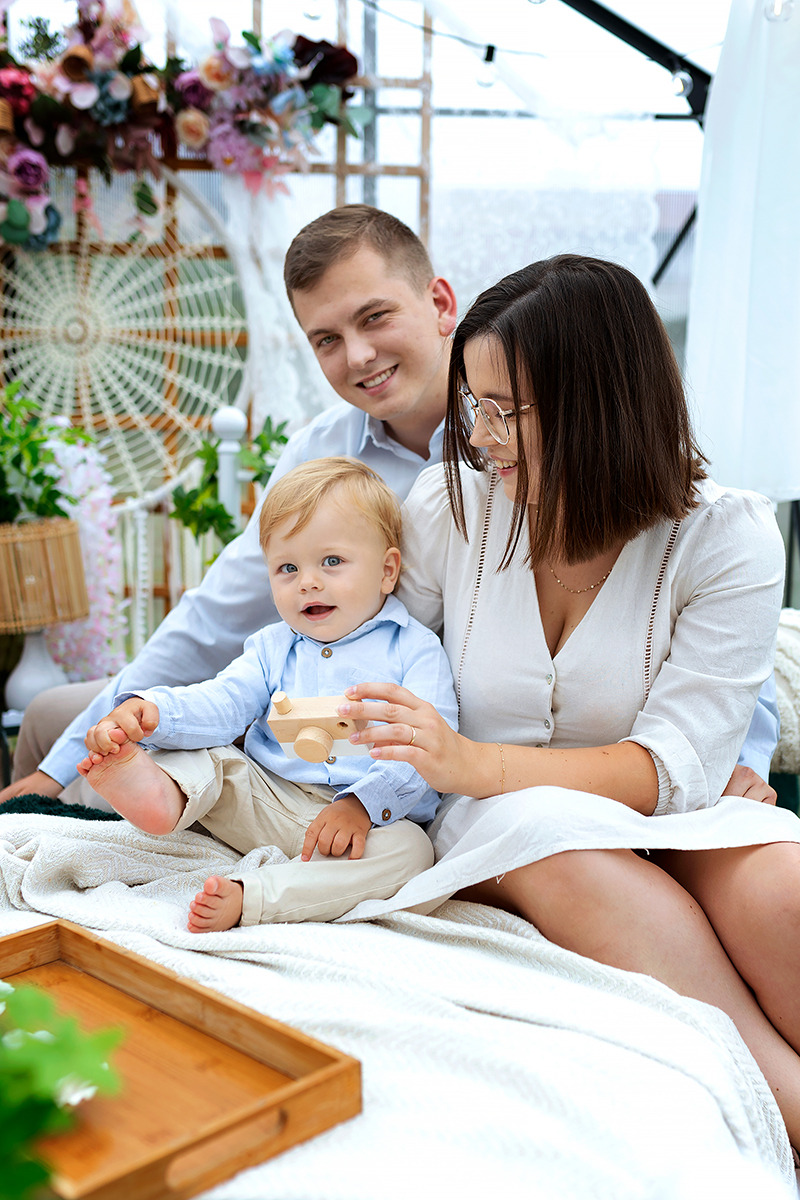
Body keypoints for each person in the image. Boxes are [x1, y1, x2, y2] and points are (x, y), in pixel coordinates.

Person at [0, 206, 777, 808]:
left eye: (374, 318)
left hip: (452, 744)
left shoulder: (559, 430)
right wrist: (62, 765)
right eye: (326, 339)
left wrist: (740, 759)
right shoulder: (324, 459)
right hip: (349, 714)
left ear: (440, 302)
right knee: (54, 718)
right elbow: (215, 616)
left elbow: (688, 621)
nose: (359, 356)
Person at [335, 254, 800, 1149]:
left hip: (673, 813)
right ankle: (784, 1107)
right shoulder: (449, 508)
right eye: (474, 405)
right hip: (502, 824)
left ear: (603, 403)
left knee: (781, 885)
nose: (482, 437)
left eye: (506, 410)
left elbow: (674, 767)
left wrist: (472, 759)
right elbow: (371, 661)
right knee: (560, 840)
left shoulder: (728, 538)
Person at [76, 458, 457, 932]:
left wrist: (362, 803)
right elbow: (223, 701)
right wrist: (155, 712)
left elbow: (428, 745)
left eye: (332, 561)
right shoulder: (272, 647)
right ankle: (163, 794)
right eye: (287, 568)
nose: (308, 581)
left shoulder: (415, 649)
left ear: (387, 570)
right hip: (267, 800)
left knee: (412, 852)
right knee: (212, 755)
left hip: (364, 827)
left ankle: (254, 896)